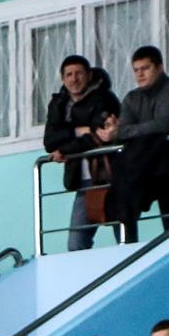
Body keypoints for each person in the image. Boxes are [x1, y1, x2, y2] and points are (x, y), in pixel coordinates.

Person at [93, 45, 169, 239]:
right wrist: (116, 131)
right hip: (162, 174)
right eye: (136, 70)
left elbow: (162, 125)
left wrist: (120, 132)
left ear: (159, 67)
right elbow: (126, 130)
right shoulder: (132, 98)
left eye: (145, 68)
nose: (140, 74)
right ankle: (126, 239)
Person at [42, 56, 121, 251]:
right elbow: (49, 141)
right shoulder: (59, 103)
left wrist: (65, 148)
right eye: (68, 74)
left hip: (111, 175)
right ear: (62, 78)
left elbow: (99, 136)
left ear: (89, 75)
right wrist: (78, 131)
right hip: (82, 180)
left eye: (79, 73)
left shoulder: (104, 98)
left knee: (124, 236)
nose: (74, 79)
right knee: (76, 244)